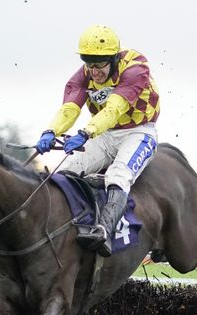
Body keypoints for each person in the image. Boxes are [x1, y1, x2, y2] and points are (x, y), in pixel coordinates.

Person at [35, 24, 161, 257]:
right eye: (88, 63)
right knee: (65, 172)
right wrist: (50, 132)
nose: (94, 71)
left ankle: (103, 230)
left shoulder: (136, 68)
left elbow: (114, 109)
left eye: (99, 64)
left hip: (139, 132)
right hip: (105, 134)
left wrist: (85, 133)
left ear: (113, 58)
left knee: (118, 174)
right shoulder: (85, 73)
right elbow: (70, 108)